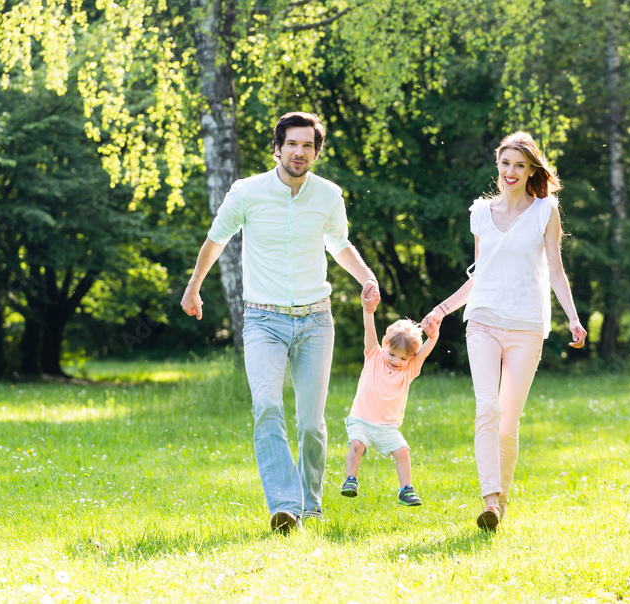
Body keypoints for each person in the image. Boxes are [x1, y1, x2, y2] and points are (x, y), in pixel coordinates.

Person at [180, 112, 380, 534]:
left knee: (311, 422)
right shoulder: (247, 192)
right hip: (262, 320)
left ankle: (311, 506)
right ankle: (284, 506)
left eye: (308, 146)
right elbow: (217, 238)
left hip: (315, 320)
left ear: (316, 152)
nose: (299, 152)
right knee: (267, 406)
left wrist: (367, 277)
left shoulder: (328, 196)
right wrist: (193, 286)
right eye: (292, 144)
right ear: (277, 147)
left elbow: (339, 243)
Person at [421, 131, 587, 531]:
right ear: (497, 163)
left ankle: (502, 503)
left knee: (508, 421)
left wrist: (574, 317)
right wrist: (442, 310)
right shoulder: (480, 212)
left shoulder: (546, 210)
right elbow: (480, 274)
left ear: (532, 170)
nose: (511, 172)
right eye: (505, 163)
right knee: (486, 409)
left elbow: (555, 269)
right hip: (483, 320)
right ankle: (490, 502)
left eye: (520, 165)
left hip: (527, 325)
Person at [339, 288, 439, 506]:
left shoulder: (409, 371)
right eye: (392, 354)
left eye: (403, 358)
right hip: (361, 421)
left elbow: (424, 353)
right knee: (356, 444)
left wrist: (433, 337)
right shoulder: (374, 356)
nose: (396, 360)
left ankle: (406, 489)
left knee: (403, 451)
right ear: (385, 345)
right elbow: (369, 329)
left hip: (387, 427)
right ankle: (351, 480)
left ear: (410, 358)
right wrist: (368, 310)